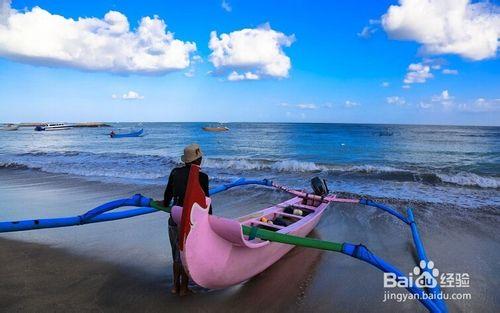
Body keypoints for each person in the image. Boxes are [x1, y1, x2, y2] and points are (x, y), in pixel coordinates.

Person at [163, 143, 210, 296]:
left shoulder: (175, 172)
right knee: (186, 253)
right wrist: (209, 221)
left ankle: (174, 286)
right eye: (200, 157)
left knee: (176, 254)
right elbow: (205, 202)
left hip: (174, 218)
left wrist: (164, 205)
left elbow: (167, 195)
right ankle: (184, 288)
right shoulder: (202, 177)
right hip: (191, 221)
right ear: (198, 160)